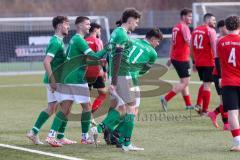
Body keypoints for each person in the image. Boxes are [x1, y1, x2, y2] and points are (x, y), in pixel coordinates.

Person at [45, 16, 108, 147]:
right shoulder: (79, 40)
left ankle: (51, 136)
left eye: (90, 24)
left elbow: (78, 60)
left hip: (68, 78)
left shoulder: (74, 39)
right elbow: (95, 55)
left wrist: (96, 61)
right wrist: (109, 47)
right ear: (79, 26)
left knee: (65, 108)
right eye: (87, 24)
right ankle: (85, 137)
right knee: (87, 107)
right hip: (77, 79)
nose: (89, 26)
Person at [89, 8, 143, 151]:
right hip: (122, 75)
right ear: (130, 20)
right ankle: (125, 143)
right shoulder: (122, 35)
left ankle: (100, 129)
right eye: (136, 22)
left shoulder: (115, 32)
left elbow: (105, 52)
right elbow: (118, 57)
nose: (136, 25)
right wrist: (113, 83)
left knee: (122, 107)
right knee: (131, 108)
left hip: (117, 75)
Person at [27, 16, 76, 146]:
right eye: (66, 24)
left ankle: (34, 132)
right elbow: (46, 61)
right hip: (56, 81)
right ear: (59, 26)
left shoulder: (58, 41)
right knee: (66, 106)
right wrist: (53, 80)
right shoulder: (55, 42)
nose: (68, 27)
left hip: (56, 80)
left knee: (52, 107)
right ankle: (56, 136)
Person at [160, 8, 193, 112]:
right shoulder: (184, 27)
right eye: (189, 16)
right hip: (182, 58)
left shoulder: (176, 27)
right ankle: (165, 98)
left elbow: (173, 43)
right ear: (183, 17)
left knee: (183, 81)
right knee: (185, 82)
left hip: (176, 57)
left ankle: (188, 104)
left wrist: (170, 57)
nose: (191, 18)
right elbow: (189, 42)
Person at [217, 15, 240, 151]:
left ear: (226, 26)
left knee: (232, 113)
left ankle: (238, 143)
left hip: (228, 81)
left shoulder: (220, 41)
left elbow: (220, 61)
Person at [192, 13, 217, 116]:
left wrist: (193, 62)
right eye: (213, 20)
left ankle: (198, 104)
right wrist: (217, 62)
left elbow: (191, 48)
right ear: (208, 20)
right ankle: (205, 111)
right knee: (207, 85)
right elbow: (214, 48)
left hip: (198, 62)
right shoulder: (210, 31)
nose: (215, 22)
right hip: (208, 62)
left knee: (204, 83)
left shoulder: (195, 31)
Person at [207, 20, 229, 130]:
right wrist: (220, 76)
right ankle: (226, 124)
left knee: (228, 100)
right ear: (220, 28)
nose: (228, 29)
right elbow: (217, 60)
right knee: (224, 100)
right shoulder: (218, 40)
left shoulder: (228, 39)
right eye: (225, 27)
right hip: (219, 74)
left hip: (228, 74)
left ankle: (214, 113)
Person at [85, 23, 107, 114]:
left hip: (85, 70)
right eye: (100, 30)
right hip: (96, 71)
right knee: (103, 93)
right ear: (95, 29)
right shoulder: (98, 41)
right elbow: (101, 57)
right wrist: (104, 71)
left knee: (86, 96)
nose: (100, 32)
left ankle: (87, 113)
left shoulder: (83, 40)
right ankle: (90, 113)